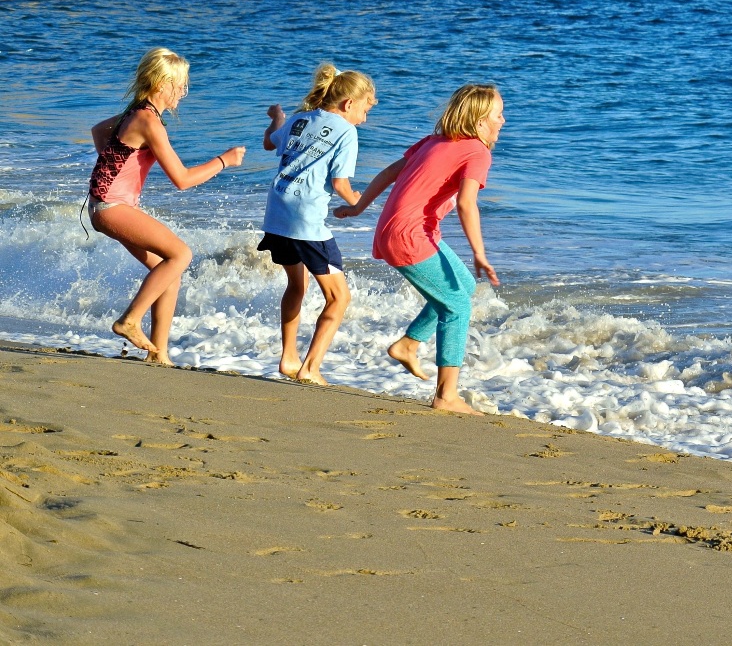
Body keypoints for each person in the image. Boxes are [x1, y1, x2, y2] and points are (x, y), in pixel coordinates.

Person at [334, 84, 504, 414]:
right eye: (498, 115)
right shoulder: (477, 152)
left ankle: (408, 344)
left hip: (398, 231)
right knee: (456, 305)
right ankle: (446, 396)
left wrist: (359, 208)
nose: (503, 120)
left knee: (464, 287)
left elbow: (388, 174)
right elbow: (468, 205)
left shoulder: (435, 141)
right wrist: (479, 253)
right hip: (409, 235)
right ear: (481, 121)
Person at [87, 47, 246, 363]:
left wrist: (115, 166)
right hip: (112, 207)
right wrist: (223, 161)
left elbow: (98, 131)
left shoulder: (135, 114)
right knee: (181, 254)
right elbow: (183, 180)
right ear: (161, 84)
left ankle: (158, 355)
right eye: (180, 84)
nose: (183, 92)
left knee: (169, 271)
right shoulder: (148, 121)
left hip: (108, 205)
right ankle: (129, 320)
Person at [258, 64, 375, 386]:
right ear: (349, 103)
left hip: (277, 215)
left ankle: (288, 357)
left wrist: (276, 118)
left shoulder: (299, 118)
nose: (364, 118)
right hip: (307, 222)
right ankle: (310, 367)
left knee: (297, 285)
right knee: (339, 298)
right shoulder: (346, 130)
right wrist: (358, 201)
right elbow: (340, 183)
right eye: (365, 109)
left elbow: (271, 143)